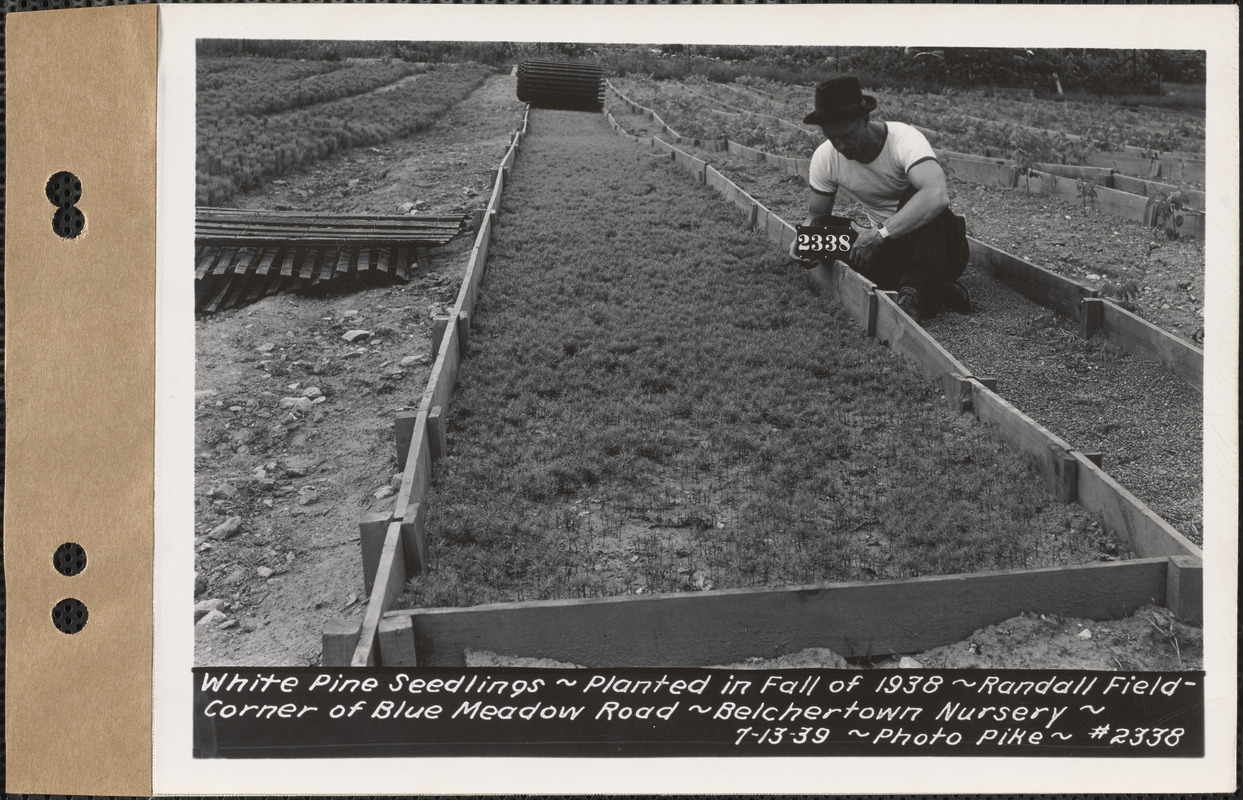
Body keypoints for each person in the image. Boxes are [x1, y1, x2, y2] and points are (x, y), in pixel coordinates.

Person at [791, 75, 971, 322]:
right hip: (886, 251)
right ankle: (934, 289)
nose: (841, 145)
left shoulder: (904, 140)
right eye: (833, 138)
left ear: (865, 119)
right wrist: (805, 240)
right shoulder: (826, 156)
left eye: (847, 134)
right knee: (820, 232)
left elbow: (937, 195)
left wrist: (879, 234)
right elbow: (816, 215)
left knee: (917, 195)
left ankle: (915, 297)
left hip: (939, 246)